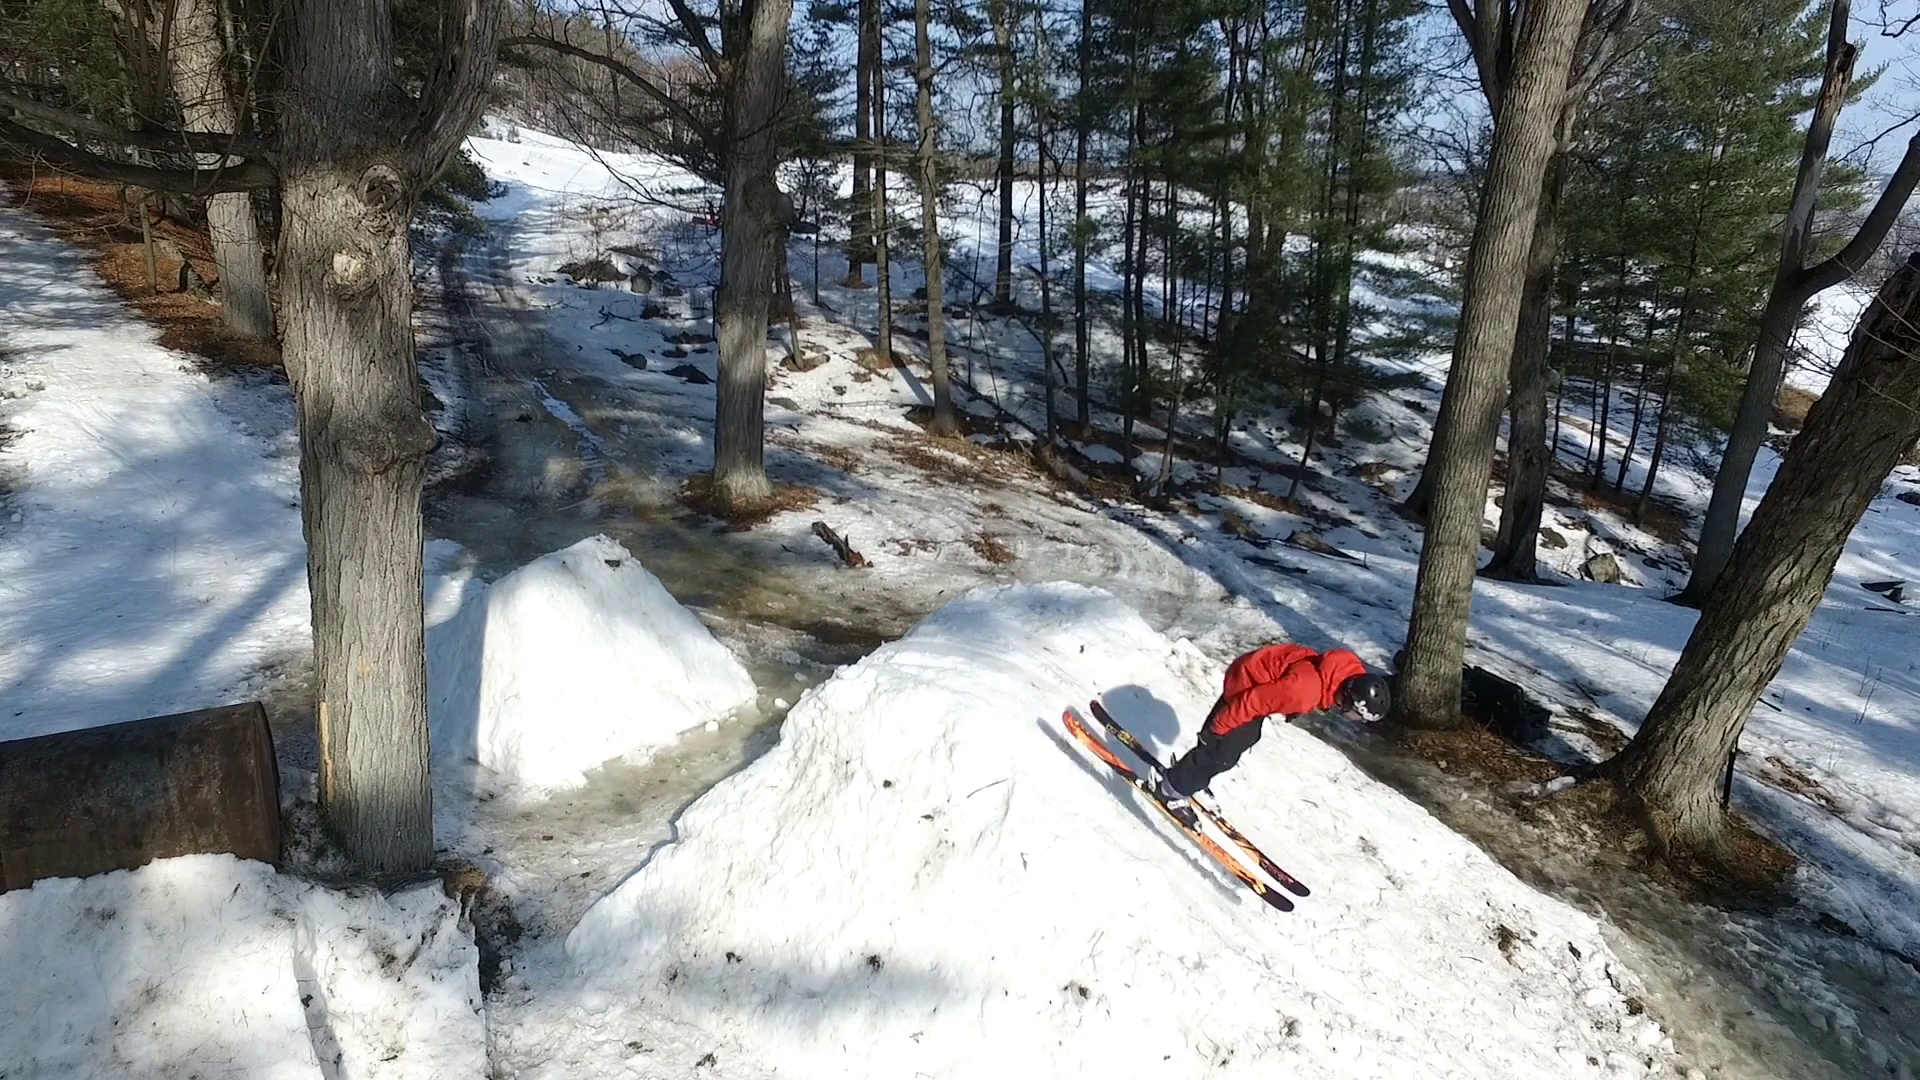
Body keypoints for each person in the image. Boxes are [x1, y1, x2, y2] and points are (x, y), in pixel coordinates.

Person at [1155, 644, 1389, 826]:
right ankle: (1173, 788)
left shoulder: (1342, 673)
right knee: (1221, 753)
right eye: (1355, 714)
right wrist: (1218, 728)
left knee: (1243, 740)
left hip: (1261, 679)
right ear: (1348, 698)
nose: (1351, 719)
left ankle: (1193, 775)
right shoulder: (1303, 691)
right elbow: (1253, 701)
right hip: (1246, 683)